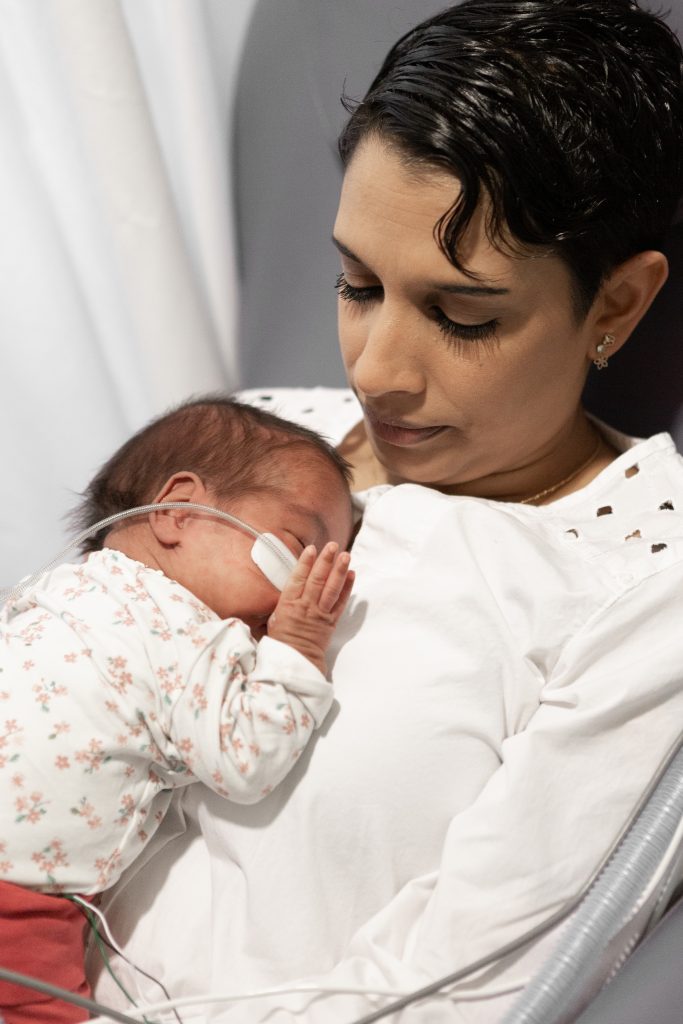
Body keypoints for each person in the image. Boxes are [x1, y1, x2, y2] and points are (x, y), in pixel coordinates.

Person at [91, 1, 683, 1021]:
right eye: (357, 284)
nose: (377, 370)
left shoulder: (638, 589)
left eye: (461, 317)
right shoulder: (247, 439)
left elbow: (465, 987)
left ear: (617, 306)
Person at [0, 396, 354, 1024]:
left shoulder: (62, 585)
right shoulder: (194, 638)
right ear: (176, 510)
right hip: (20, 901)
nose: (301, 588)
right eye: (298, 548)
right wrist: (298, 646)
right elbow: (246, 761)